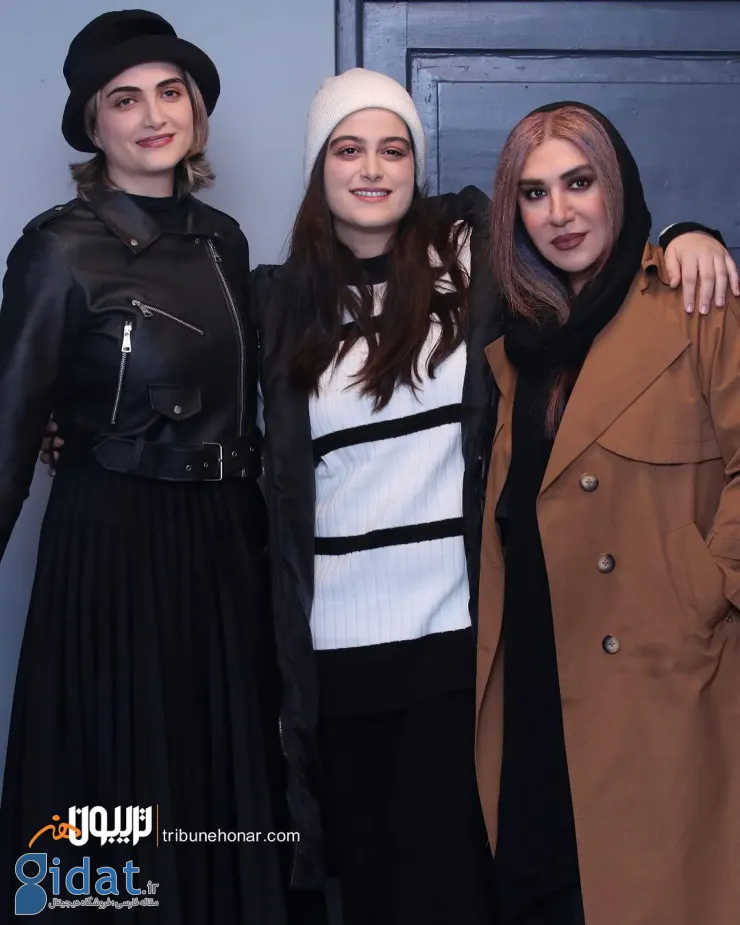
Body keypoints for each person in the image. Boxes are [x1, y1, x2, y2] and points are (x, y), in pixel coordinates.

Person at [251, 70, 736, 925]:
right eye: (348, 149)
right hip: (347, 654)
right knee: (375, 891)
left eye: (394, 148)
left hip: (463, 644)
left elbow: (612, 256)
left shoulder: (468, 267)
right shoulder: (278, 303)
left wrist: (690, 233)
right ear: (316, 167)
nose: (373, 168)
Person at [0, 11, 295, 923]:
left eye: (171, 92)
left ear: (197, 113)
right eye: (125, 99)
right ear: (94, 125)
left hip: (223, 540)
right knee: (122, 782)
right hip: (115, 542)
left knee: (216, 773)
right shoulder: (58, 248)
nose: (154, 115)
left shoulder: (224, 239)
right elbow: (10, 424)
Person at [475, 100, 740, 925]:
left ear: (616, 185)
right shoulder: (520, 338)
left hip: (658, 673)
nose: (559, 212)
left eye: (579, 182)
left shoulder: (695, 303)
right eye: (534, 192)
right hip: (537, 678)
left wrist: (705, 586)